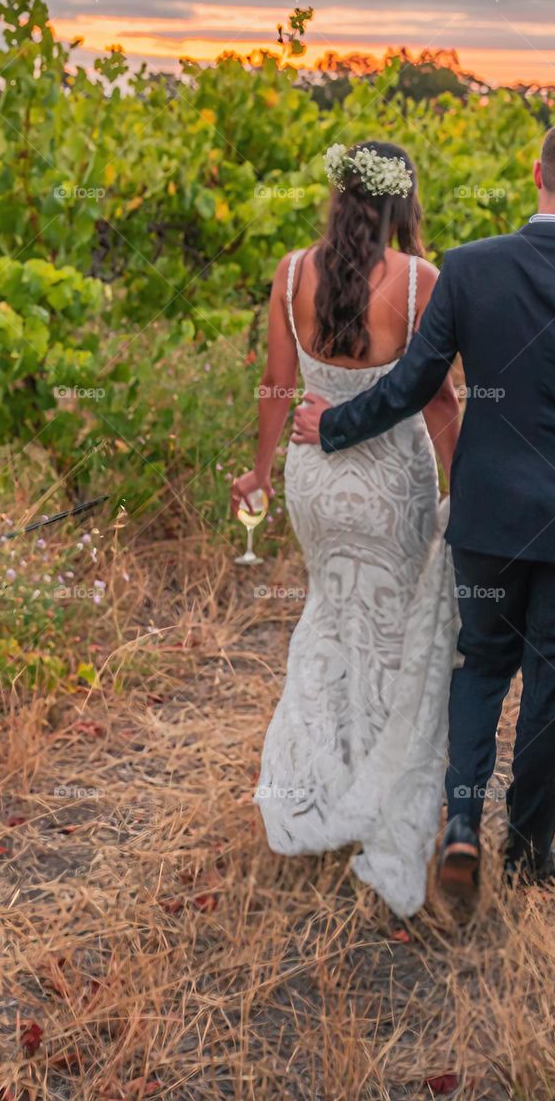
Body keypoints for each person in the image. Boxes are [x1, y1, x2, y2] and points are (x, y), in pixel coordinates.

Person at [292, 118, 555, 904]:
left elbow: (410, 387)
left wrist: (331, 425)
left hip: (486, 515)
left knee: (479, 667)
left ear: (536, 171)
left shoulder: (470, 268)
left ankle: (463, 821)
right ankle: (533, 849)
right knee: (554, 689)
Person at [232, 141, 461, 918]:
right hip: (392, 480)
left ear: (339, 193)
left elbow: (277, 384)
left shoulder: (292, 272)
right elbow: (438, 404)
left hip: (316, 482)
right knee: (393, 629)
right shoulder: (421, 282)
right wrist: (463, 491)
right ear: (403, 201)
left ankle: (319, 783)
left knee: (331, 617)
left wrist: (259, 473)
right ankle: (377, 785)